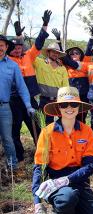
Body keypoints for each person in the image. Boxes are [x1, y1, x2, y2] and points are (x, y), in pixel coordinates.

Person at [32, 86, 93, 214]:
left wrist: (68, 179)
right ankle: (60, 210)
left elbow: (90, 166)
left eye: (74, 104)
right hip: (55, 183)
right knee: (66, 199)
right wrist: (37, 203)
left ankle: (71, 210)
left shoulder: (86, 131)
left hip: (80, 181)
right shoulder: (47, 132)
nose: (69, 108)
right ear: (58, 108)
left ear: (79, 107)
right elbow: (39, 168)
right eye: (64, 105)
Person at [7, 11, 50, 164]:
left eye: (20, 47)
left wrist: (45, 25)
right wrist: (18, 35)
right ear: (8, 49)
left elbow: (38, 43)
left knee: (38, 126)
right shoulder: (6, 61)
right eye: (14, 48)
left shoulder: (28, 56)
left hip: (30, 98)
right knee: (15, 129)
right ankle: (18, 156)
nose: (17, 50)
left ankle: (41, 153)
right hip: (13, 100)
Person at [0, 35, 34, 170]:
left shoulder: (12, 66)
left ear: (6, 47)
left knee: (8, 139)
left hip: (4, 107)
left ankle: (13, 168)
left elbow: (22, 87)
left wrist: (28, 105)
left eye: (1, 45)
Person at [63, 25, 93, 123]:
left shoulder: (85, 61)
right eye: (72, 53)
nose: (74, 54)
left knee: (82, 118)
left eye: (77, 53)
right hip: (71, 95)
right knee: (71, 117)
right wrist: (58, 41)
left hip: (84, 95)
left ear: (80, 55)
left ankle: (82, 136)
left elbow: (89, 49)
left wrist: (92, 36)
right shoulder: (67, 66)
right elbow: (61, 56)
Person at [34, 39, 69, 125]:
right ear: (48, 52)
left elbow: (65, 86)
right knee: (45, 125)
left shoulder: (62, 68)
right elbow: (30, 54)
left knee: (63, 124)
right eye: (53, 52)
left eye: (57, 53)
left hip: (58, 101)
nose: (55, 54)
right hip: (44, 100)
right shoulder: (39, 63)